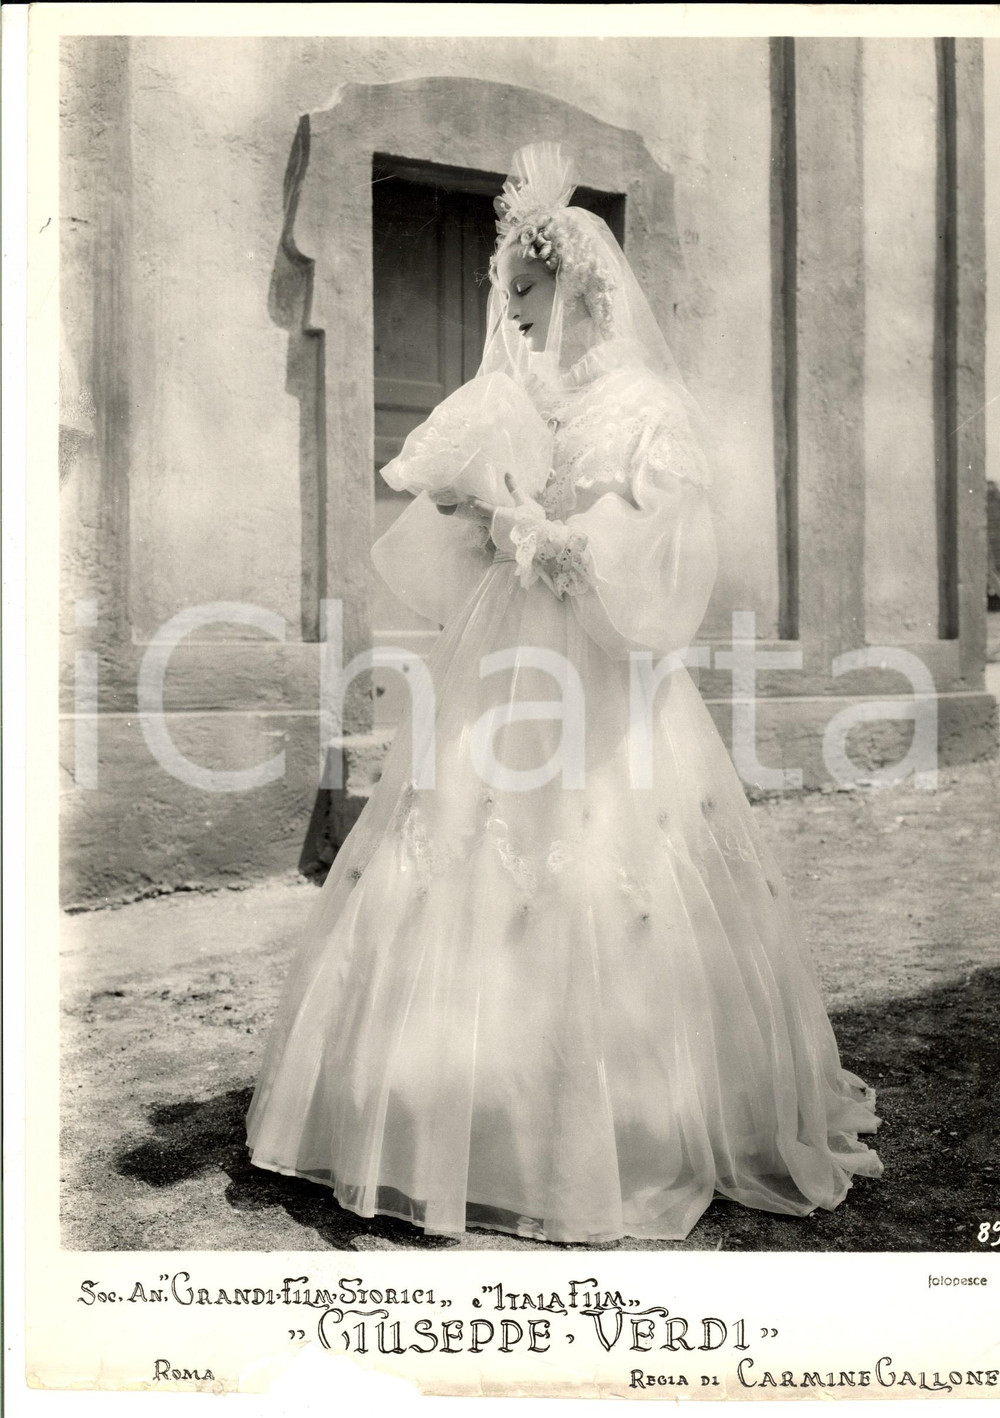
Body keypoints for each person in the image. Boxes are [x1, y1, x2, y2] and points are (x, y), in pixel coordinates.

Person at [245, 143, 882, 1244]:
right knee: (455, 850)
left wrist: (549, 534)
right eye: (510, 301)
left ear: (581, 288)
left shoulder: (644, 409)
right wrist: (477, 507)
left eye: (527, 298)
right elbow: (478, 515)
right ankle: (449, 1105)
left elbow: (662, 541)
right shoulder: (531, 394)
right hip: (509, 662)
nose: (516, 320)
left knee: (600, 864)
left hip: (601, 674)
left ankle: (610, 1124)